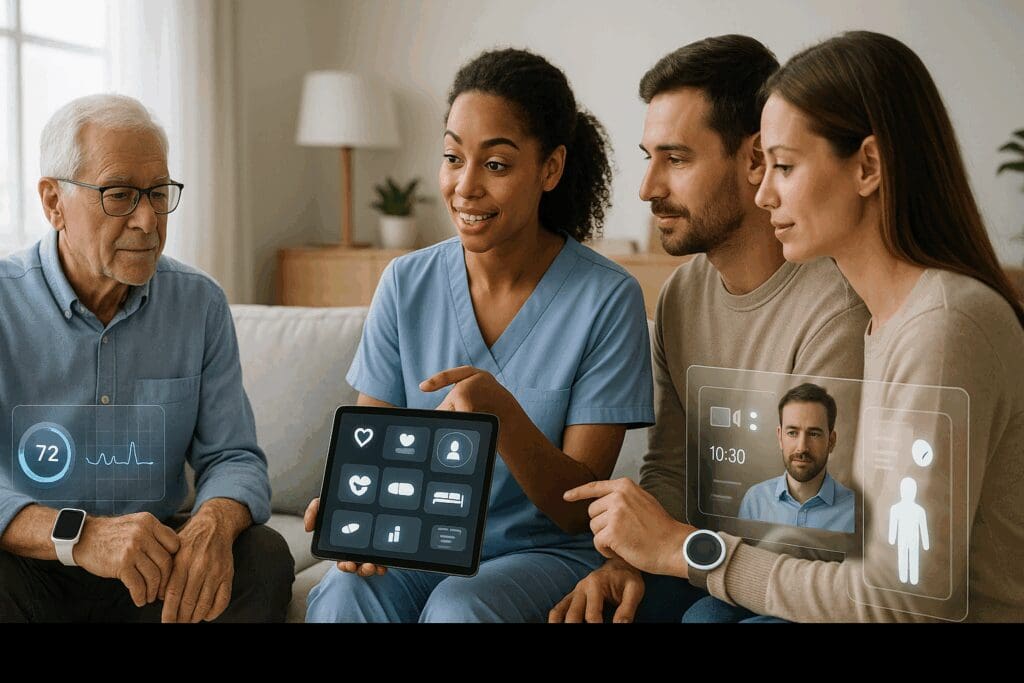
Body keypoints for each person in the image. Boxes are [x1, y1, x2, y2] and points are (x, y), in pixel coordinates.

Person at [569, 30, 1024, 623]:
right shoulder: (893, 319)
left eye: (782, 165)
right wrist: (642, 552)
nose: (762, 191)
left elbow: (904, 595)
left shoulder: (944, 325)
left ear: (867, 166)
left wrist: (687, 551)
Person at [304, 48, 655, 623]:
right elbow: (373, 448)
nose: (464, 187)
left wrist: (500, 415)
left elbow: (577, 509)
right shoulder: (406, 282)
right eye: (452, 157)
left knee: (459, 607)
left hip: (543, 553)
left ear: (550, 168)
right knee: (345, 596)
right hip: (418, 546)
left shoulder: (606, 299)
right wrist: (355, 510)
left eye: (495, 165)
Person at [549, 35, 868, 624]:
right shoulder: (681, 295)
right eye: (649, 157)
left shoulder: (838, 308)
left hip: (803, 580)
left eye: (676, 159)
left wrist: (679, 554)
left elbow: (818, 532)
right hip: (704, 564)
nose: (647, 188)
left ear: (755, 159)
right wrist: (627, 562)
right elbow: (671, 468)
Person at [0, 94, 293, 623]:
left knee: (263, 556)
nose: (146, 220)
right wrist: (81, 535)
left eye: (158, 194)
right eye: (119, 195)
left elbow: (234, 457)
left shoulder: (199, 304)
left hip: (153, 574)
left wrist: (213, 523)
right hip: (33, 562)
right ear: (53, 202)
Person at [738, 383, 854, 533]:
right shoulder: (755, 501)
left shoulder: (854, 512)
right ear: (780, 437)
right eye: (792, 433)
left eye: (814, 434)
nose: (802, 448)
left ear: (831, 441)